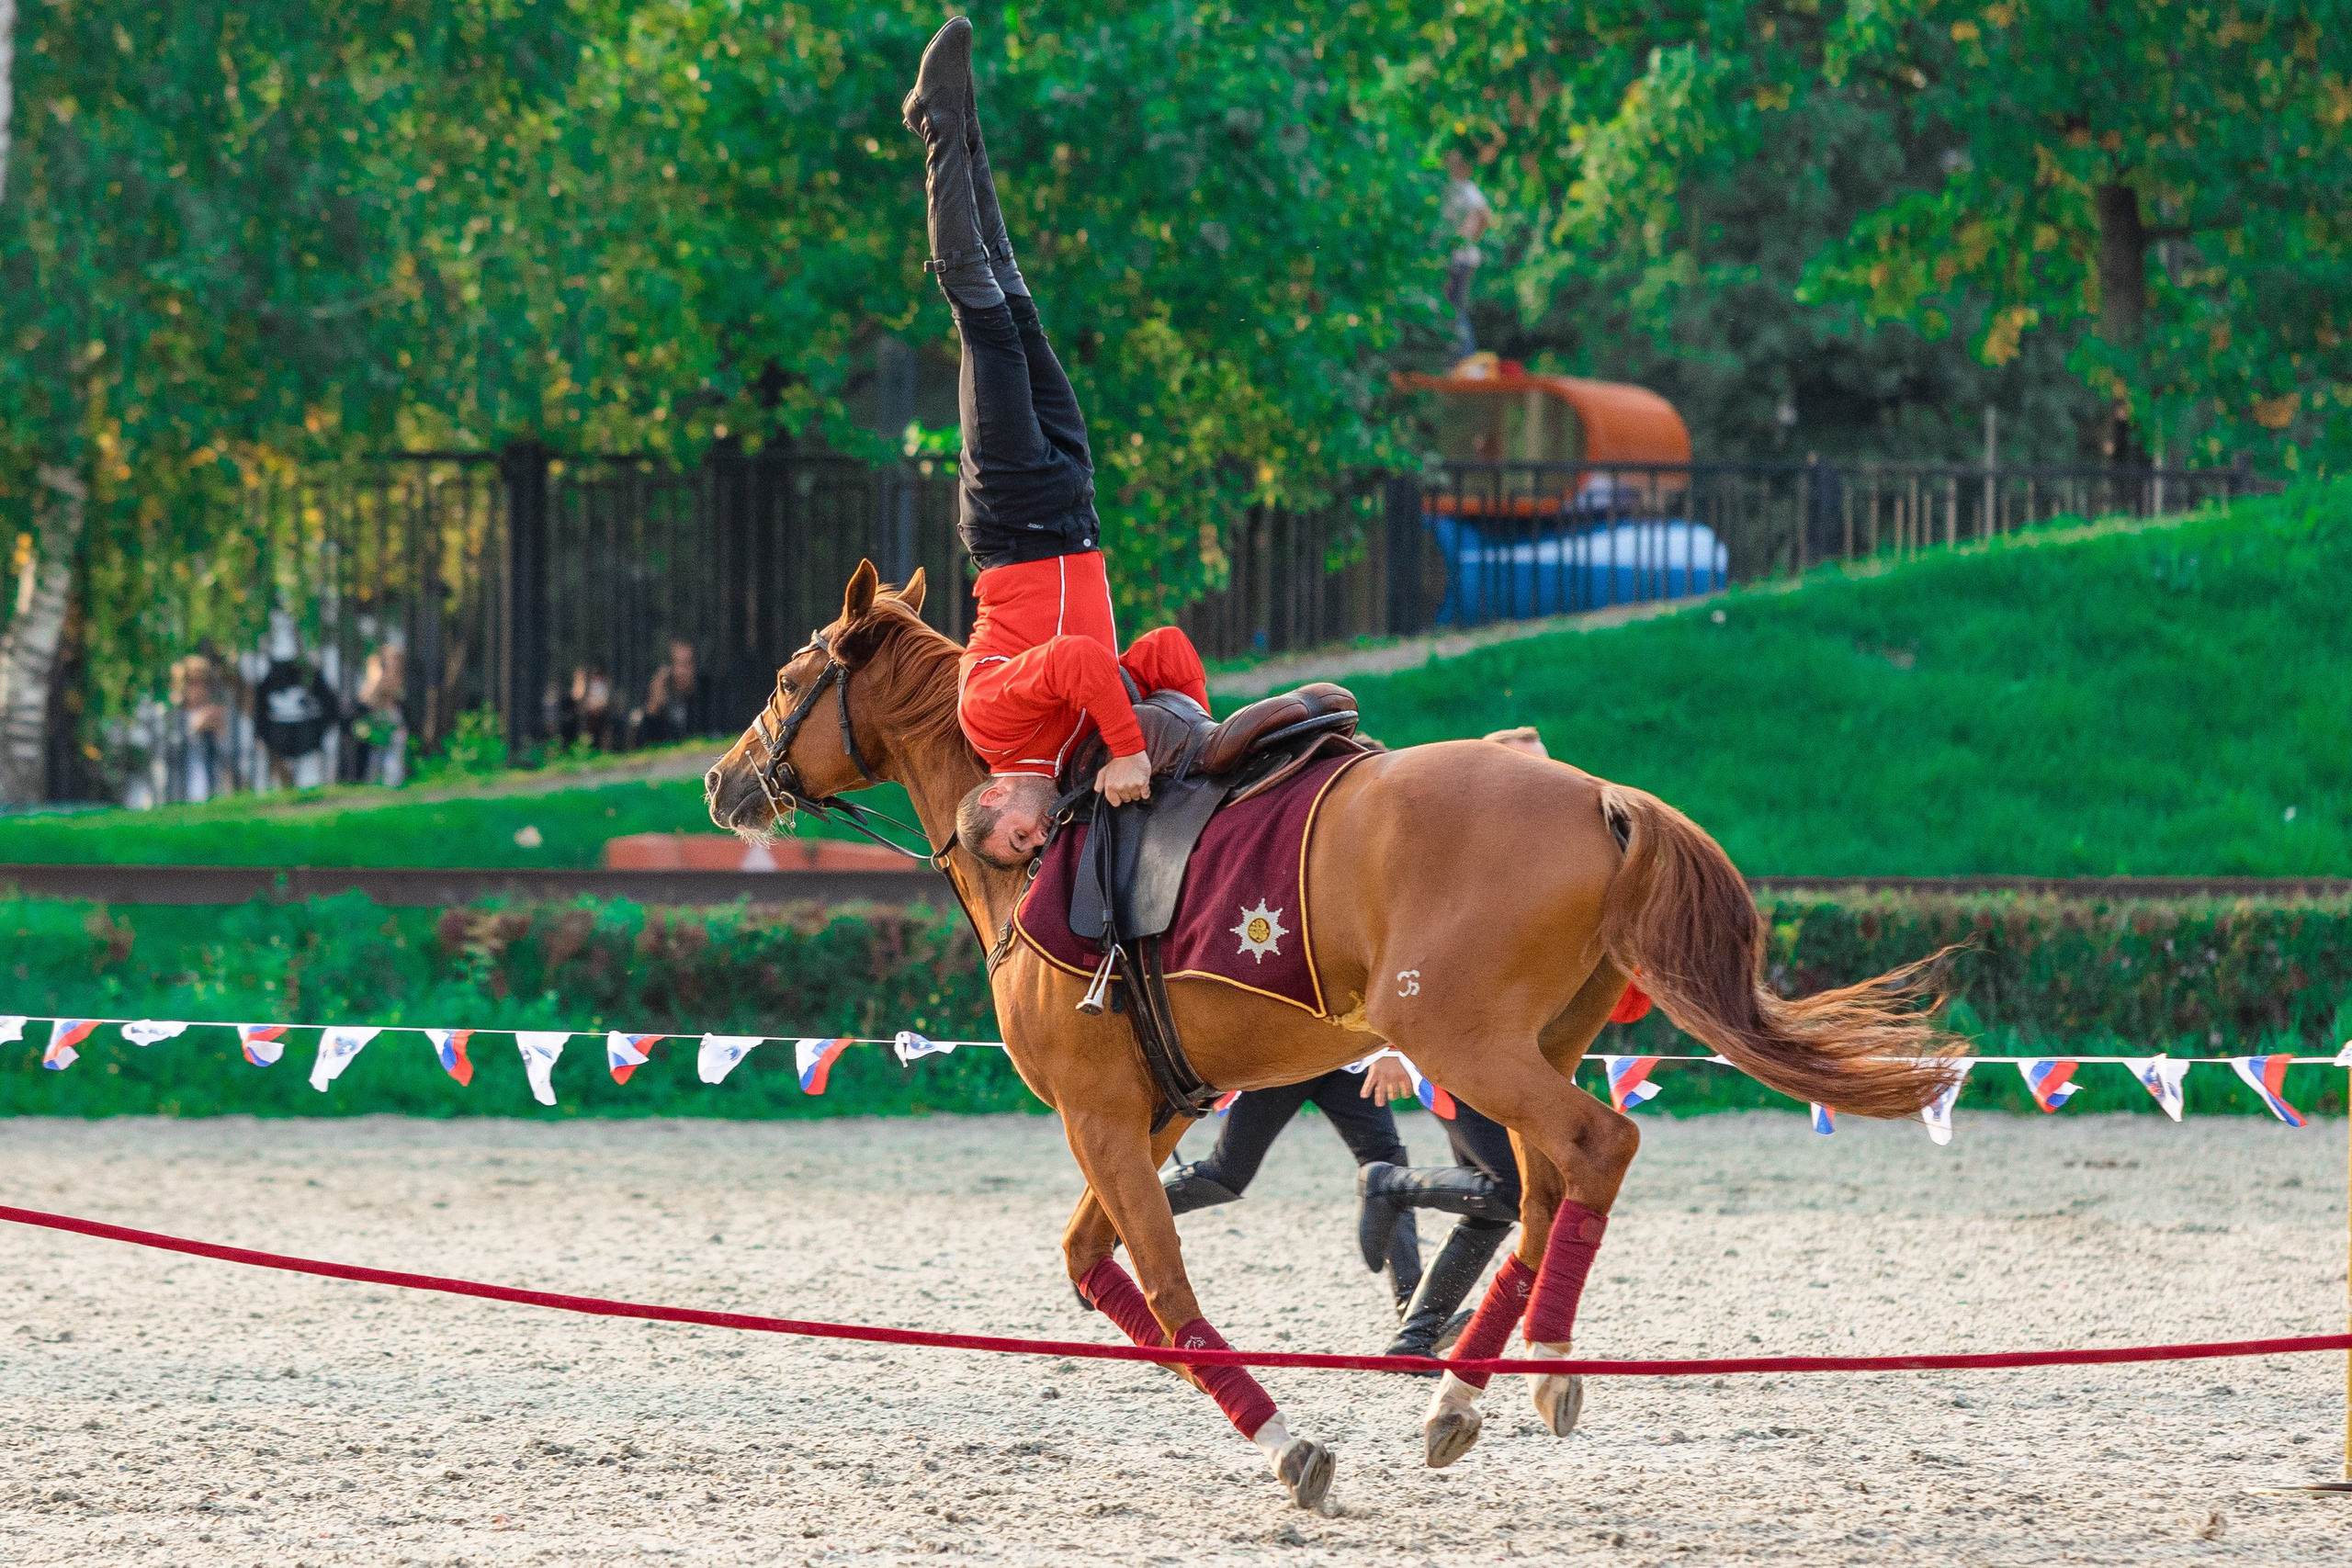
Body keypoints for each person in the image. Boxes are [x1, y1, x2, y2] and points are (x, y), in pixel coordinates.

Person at [901, 19, 1209, 871]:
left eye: (1017, 840)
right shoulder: (1075, 746)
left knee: (986, 321)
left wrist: (1129, 749)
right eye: (1035, 850)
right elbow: (1166, 650)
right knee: (1019, 305)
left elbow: (1074, 658)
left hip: (1013, 524)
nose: (1039, 840)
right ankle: (962, 116)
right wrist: (1191, 740)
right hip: (1074, 510)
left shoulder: (989, 719)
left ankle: (937, 126)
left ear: (991, 799)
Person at [1162, 1059, 1427, 1318]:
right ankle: (1138, 1207)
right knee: (1224, 1175)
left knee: (1388, 1168)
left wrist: (1388, 1052)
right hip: (1281, 1060)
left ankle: (1415, 1311)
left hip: (1343, 1057)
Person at [1441, 149, 1494, 361]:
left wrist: (1466, 235)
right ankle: (1457, 358)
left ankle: (1463, 358)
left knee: (1455, 308)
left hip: (1460, 257)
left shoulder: (1465, 188)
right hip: (1460, 257)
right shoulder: (1452, 188)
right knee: (1453, 308)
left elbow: (1484, 215)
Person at [633, 637, 707, 747]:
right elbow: (644, 743)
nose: (681, 671)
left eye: (686, 664)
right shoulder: (662, 696)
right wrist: (654, 708)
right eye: (677, 663)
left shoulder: (706, 695)